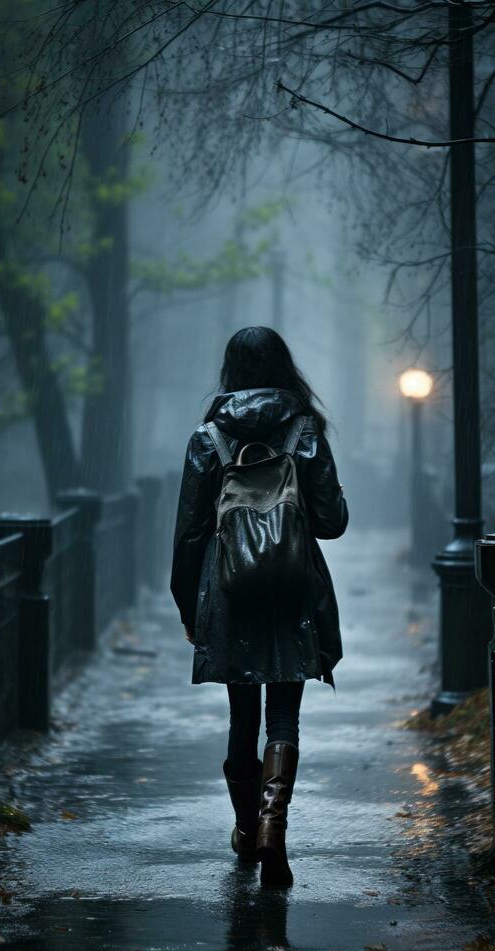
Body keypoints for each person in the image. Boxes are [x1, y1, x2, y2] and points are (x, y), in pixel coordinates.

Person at [171, 327, 348, 886]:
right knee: (284, 718)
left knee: (241, 716)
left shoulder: (209, 439)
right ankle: (275, 826)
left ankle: (247, 831)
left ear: (232, 371)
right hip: (291, 590)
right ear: (283, 368)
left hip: (227, 595)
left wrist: (186, 607)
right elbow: (332, 522)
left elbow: (190, 533)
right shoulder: (305, 431)